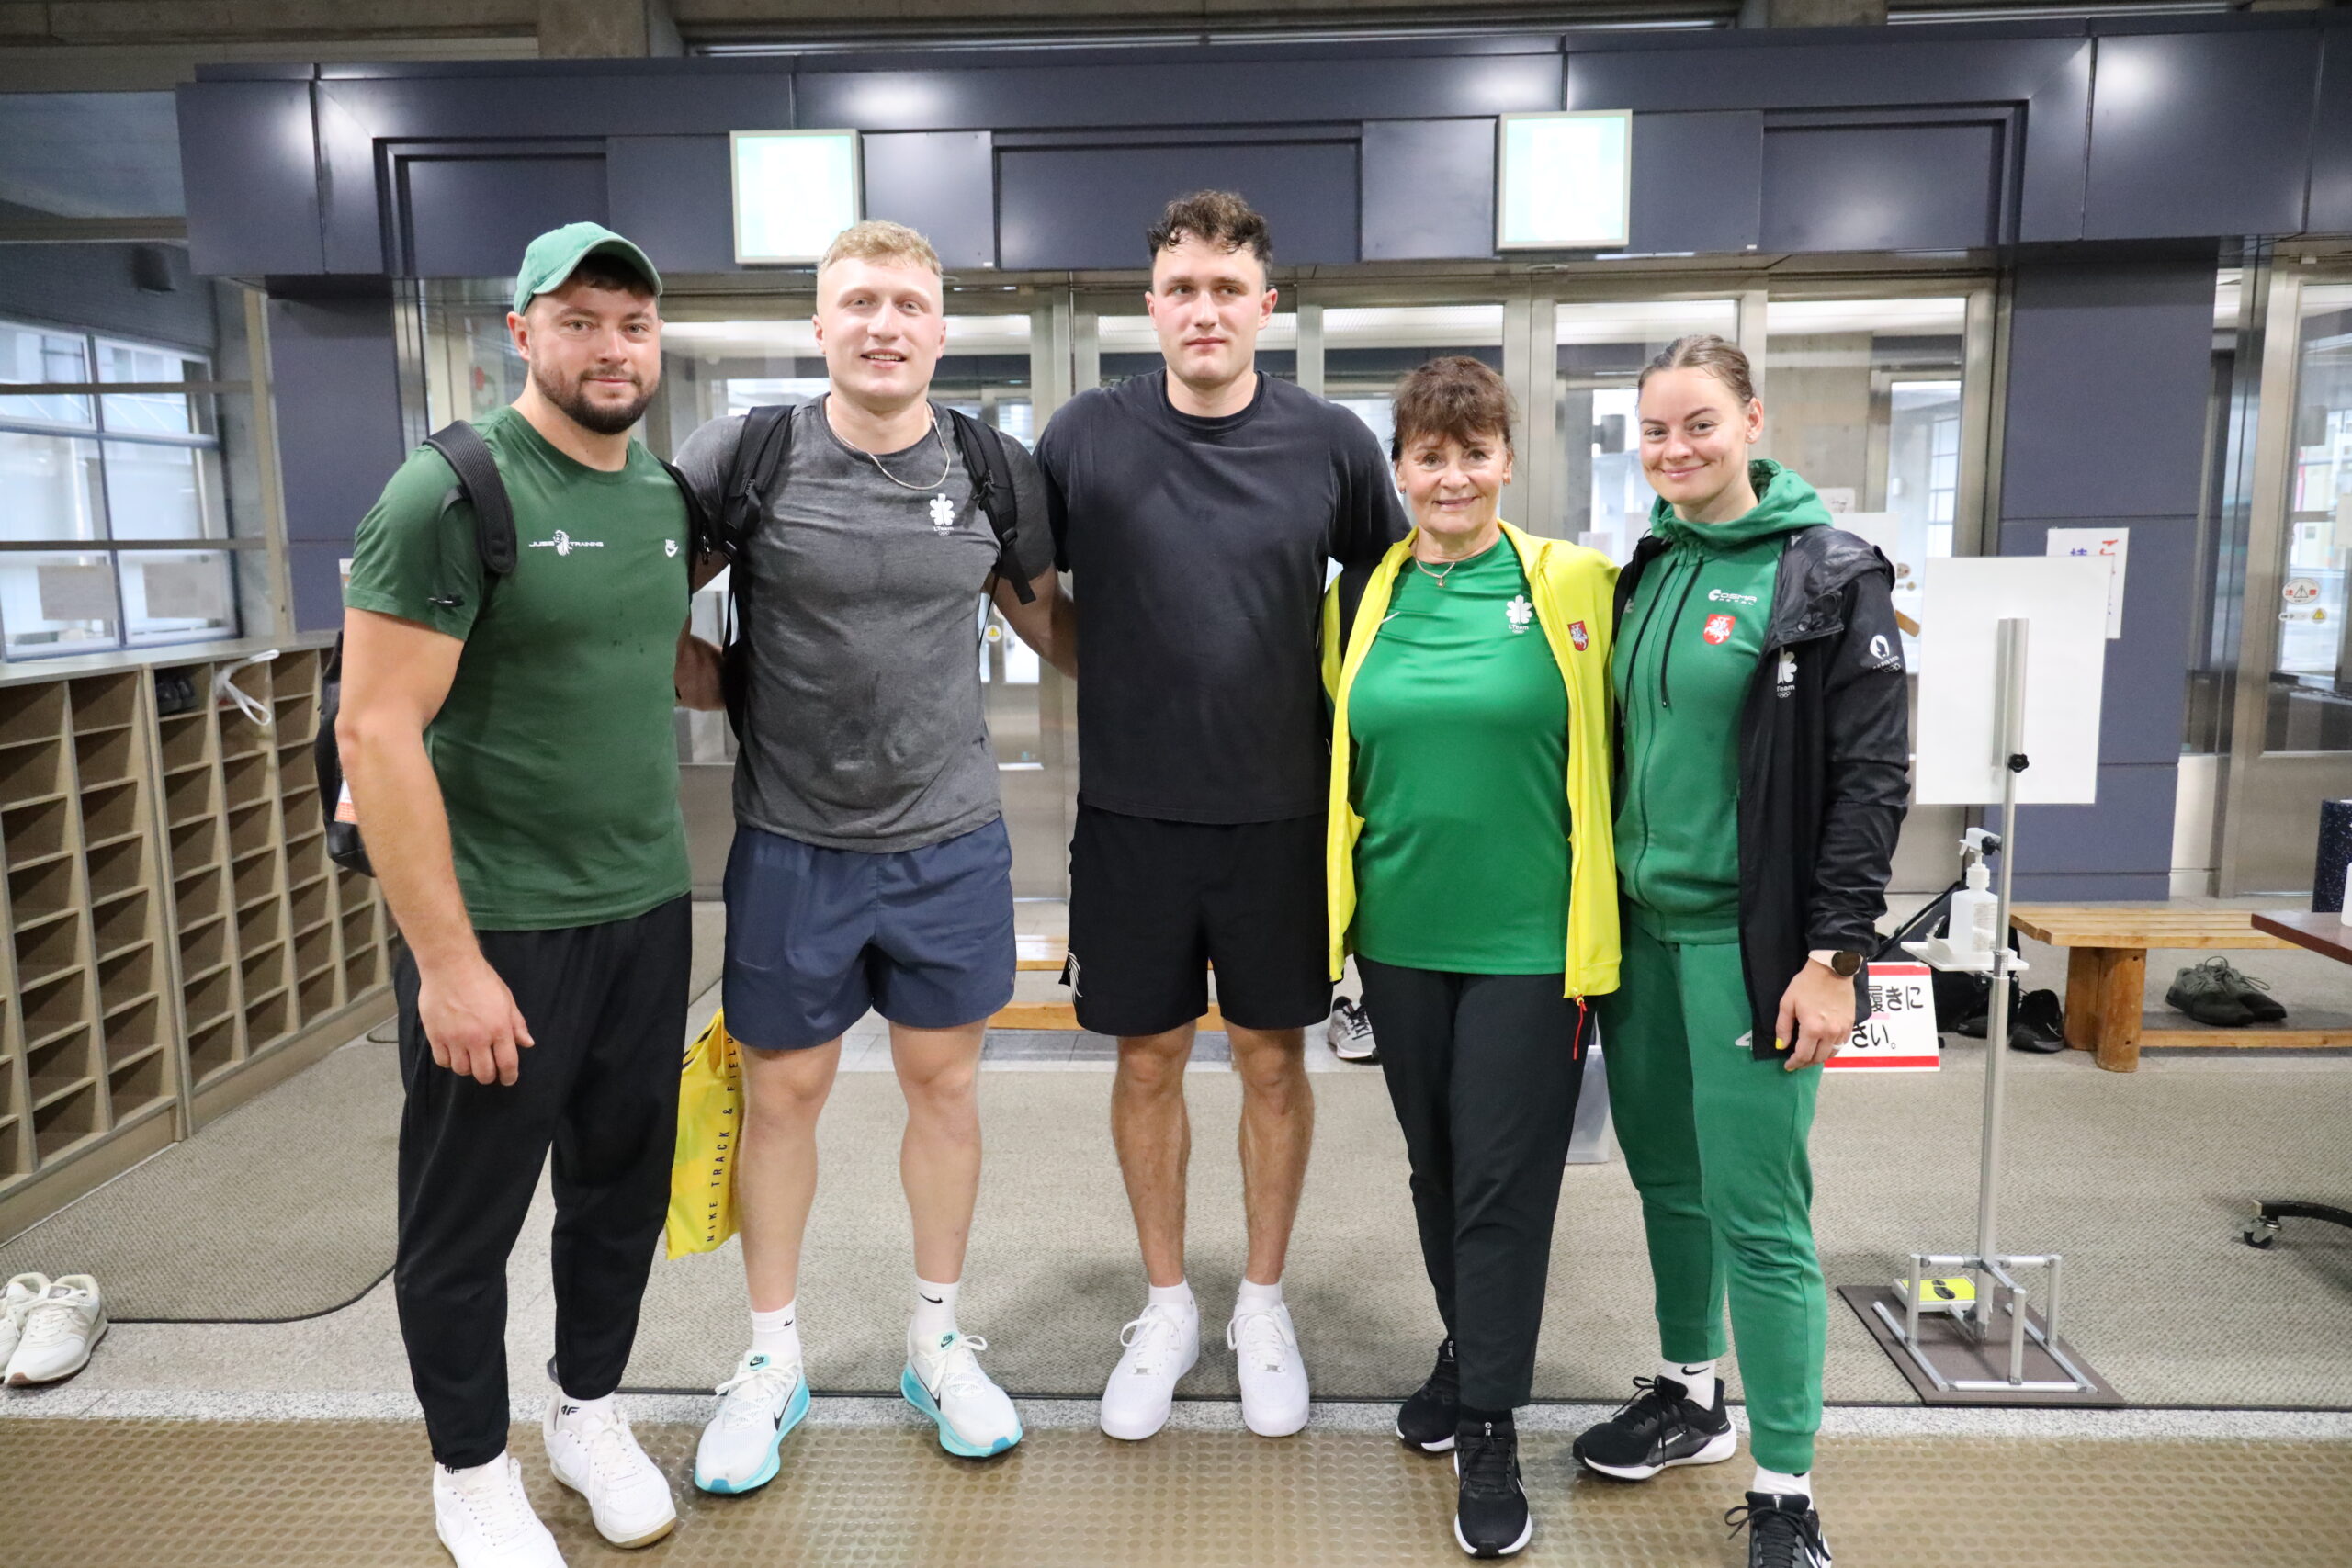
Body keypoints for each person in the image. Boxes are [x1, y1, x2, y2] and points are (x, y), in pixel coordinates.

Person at [670, 220, 1069, 1488]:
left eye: (906, 304)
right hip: (794, 846)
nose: (883, 325)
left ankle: (935, 1341)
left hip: (949, 842)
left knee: (944, 1091)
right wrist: (712, 683)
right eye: (859, 303)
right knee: (783, 1097)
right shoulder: (748, 456)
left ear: (940, 330)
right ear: (820, 324)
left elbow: (1054, 629)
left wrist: (1223, 663)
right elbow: (636, 601)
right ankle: (770, 1356)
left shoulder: (993, 469)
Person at [339, 222, 695, 1568]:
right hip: (497, 926)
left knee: (619, 1194)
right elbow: (374, 732)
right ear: (522, 332)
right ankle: (470, 1470)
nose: (612, 349)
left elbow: (639, 651)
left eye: (634, 325)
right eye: (581, 320)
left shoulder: (661, 495)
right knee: (465, 1219)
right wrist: (448, 964)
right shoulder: (448, 491)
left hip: (647, 909)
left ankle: (587, 1412)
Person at [1036, 190, 1408, 1442]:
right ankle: (1165, 1307)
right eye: (1183, 289)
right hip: (1130, 816)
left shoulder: (1332, 443)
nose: (1205, 311)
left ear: (1267, 306)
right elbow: (1022, 583)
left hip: (1280, 818)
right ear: (1150, 305)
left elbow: (1387, 597)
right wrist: (1109, 667)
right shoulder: (1084, 435)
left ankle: (1259, 1302)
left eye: (1228, 290)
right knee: (1145, 1060)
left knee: (1270, 1061)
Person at [1575, 334, 1907, 1568]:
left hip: (1749, 943)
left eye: (1700, 424)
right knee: (1668, 1180)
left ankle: (1785, 1489)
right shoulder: (1651, 564)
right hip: (1640, 938)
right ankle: (1689, 1392)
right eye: (1656, 432)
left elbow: (1873, 780)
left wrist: (1835, 957)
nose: (1675, 450)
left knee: (1760, 1212)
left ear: (1752, 421)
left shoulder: (1828, 573)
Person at [1317, 357, 1620, 1559]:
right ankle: (1468, 1348)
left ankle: (1490, 1421)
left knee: (1502, 1179)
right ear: (1399, 469)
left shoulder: (1576, 585)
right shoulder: (1357, 601)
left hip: (1531, 947)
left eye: (1474, 453)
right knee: (1436, 1167)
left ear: (1507, 461)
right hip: (1398, 938)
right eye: (1430, 456)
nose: (1453, 476)